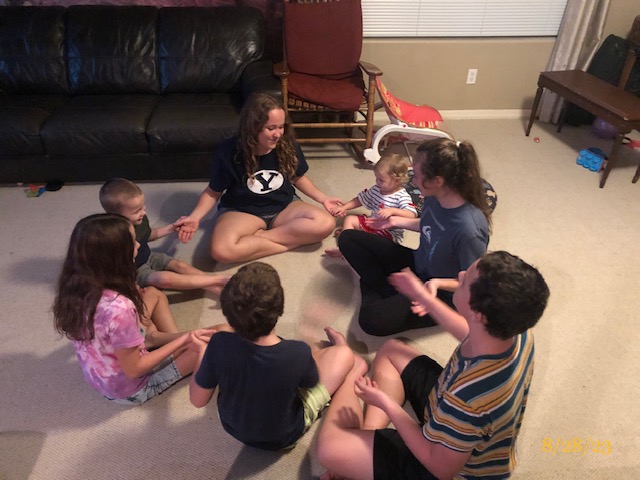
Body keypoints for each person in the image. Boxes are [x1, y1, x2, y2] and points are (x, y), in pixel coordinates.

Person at [316, 251, 550, 480]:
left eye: (465, 279)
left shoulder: (467, 400)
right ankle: (366, 446)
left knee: (328, 451)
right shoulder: (516, 331)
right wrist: (426, 297)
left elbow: (440, 469)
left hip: (447, 465)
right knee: (391, 350)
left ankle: (352, 371)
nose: (459, 275)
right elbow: (469, 331)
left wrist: (385, 404)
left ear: (479, 315)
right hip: (445, 410)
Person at [52, 213, 225, 405]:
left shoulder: (77, 282)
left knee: (153, 293)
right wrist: (183, 340)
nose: (139, 246)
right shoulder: (119, 308)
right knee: (217, 338)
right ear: (116, 255)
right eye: (133, 242)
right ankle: (176, 345)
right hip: (133, 388)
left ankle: (158, 340)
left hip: (105, 372)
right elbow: (135, 370)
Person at [189, 262, 359, 450]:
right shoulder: (297, 352)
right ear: (280, 309)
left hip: (233, 428)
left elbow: (197, 400)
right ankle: (342, 351)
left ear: (228, 314)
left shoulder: (218, 343)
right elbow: (310, 383)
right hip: (284, 435)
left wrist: (203, 354)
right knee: (344, 355)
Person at [337, 138, 492, 336]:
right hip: (419, 265)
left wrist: (434, 285)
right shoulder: (432, 197)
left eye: (417, 176)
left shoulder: (470, 230)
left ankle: (384, 289)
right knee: (348, 239)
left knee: (370, 321)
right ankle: (393, 291)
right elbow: (430, 227)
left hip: (439, 290)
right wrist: (396, 222)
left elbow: (472, 283)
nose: (412, 180)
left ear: (437, 181)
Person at [175, 92, 342, 264]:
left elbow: (298, 177)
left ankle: (260, 237)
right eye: (271, 128)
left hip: (284, 206)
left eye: (281, 126)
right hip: (243, 210)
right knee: (221, 251)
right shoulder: (228, 151)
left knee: (326, 223)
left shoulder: (288, 144)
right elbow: (213, 192)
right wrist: (195, 217)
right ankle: (287, 242)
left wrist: (324, 199)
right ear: (252, 127)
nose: (278, 134)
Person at [99, 177, 229, 294]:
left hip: (149, 255)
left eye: (143, 206)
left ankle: (214, 285)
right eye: (136, 211)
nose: (143, 212)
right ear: (115, 214)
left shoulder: (140, 219)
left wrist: (171, 228)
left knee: (180, 265)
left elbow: (148, 235)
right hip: (135, 270)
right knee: (164, 278)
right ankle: (217, 281)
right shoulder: (114, 235)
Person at [324, 153, 417, 257]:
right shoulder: (377, 188)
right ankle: (346, 244)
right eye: (376, 178)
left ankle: (351, 245)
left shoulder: (402, 196)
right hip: (372, 222)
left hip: (388, 233)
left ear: (397, 180)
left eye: (381, 180)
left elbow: (411, 214)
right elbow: (361, 199)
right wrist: (344, 207)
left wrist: (393, 211)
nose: (377, 182)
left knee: (373, 246)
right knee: (349, 219)